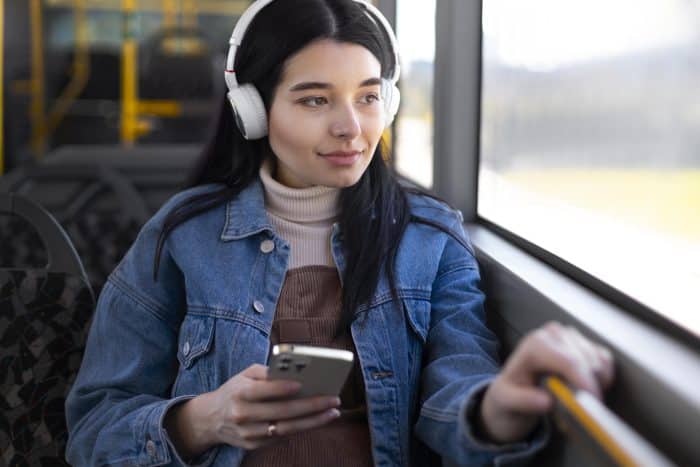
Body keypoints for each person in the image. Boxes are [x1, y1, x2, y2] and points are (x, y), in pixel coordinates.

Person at [65, 0, 614, 465]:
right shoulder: (182, 237)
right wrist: (203, 421)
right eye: (314, 99)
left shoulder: (430, 238)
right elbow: (92, 429)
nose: (351, 127)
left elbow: (458, 386)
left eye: (368, 97)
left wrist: (497, 408)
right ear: (253, 111)